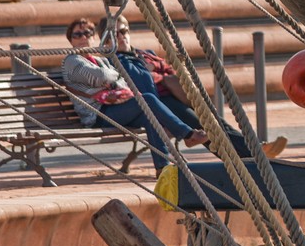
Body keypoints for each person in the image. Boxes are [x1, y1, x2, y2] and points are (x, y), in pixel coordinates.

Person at [95, 16, 288, 160]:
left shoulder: (145, 54)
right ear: (106, 38)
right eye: (116, 33)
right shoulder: (111, 61)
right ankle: (250, 155)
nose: (122, 36)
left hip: (173, 98)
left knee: (212, 118)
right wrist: (158, 75)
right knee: (201, 124)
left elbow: (170, 71)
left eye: (125, 31)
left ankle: (250, 151)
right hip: (157, 104)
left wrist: (159, 74)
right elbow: (142, 84)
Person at [61, 17, 208, 173]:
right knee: (148, 99)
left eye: (88, 33)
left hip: (114, 109)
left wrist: (112, 78)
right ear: (71, 40)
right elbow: (104, 76)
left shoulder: (99, 60)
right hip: (97, 115)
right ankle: (187, 134)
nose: (84, 37)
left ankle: (162, 167)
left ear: (94, 37)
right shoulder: (72, 60)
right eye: (77, 35)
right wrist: (112, 78)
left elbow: (121, 82)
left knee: (150, 116)